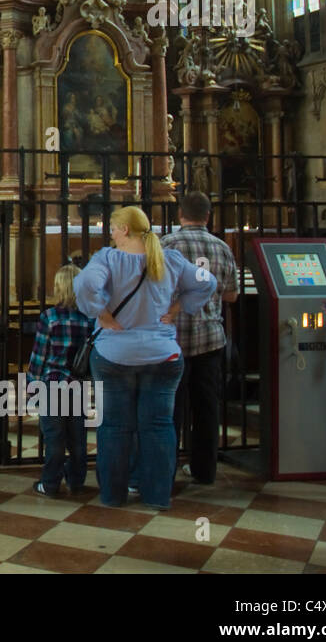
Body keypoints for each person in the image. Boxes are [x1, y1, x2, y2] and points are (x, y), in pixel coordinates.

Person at [74, 206, 216, 510]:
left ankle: (113, 496)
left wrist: (100, 311)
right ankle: (157, 496)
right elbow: (208, 282)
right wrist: (177, 309)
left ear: (124, 230)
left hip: (115, 355)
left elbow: (85, 284)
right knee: (159, 426)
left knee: (113, 426)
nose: (110, 233)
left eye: (112, 227)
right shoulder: (170, 259)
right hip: (162, 356)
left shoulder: (107, 259)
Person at [161, 192, 239, 485]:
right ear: (208, 216)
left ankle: (165, 472)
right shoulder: (221, 247)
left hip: (173, 339)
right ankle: (204, 471)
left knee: (170, 410)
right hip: (210, 339)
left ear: (179, 214)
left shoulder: (167, 244)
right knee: (207, 408)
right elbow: (232, 293)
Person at [28, 264, 94, 497]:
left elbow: (39, 355)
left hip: (53, 383)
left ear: (58, 288)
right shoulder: (89, 317)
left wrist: (32, 384)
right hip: (77, 383)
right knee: (77, 436)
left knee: (54, 437)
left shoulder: (49, 317)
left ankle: (50, 482)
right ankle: (76, 480)